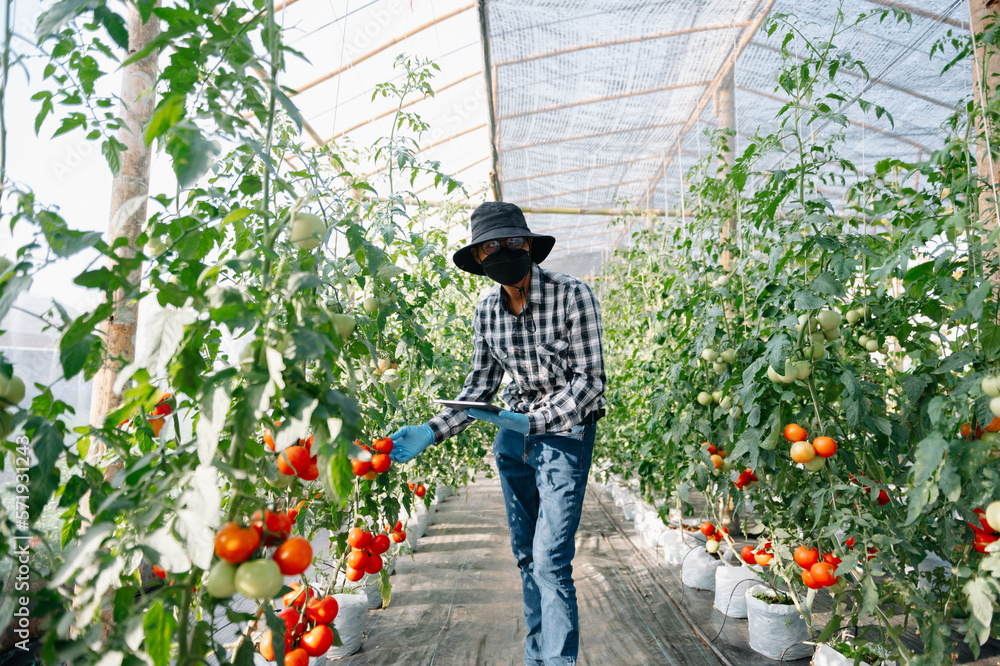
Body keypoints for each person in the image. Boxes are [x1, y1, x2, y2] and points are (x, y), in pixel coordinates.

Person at [387, 201, 606, 666]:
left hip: (565, 436)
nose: (504, 251)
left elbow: (590, 381)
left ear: (529, 245)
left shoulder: (573, 296)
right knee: (526, 556)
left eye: (512, 241)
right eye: (491, 247)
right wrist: (433, 429)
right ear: (479, 258)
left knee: (551, 561)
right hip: (511, 439)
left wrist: (537, 421)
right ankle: (536, 656)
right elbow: (481, 386)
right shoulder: (486, 311)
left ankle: (559, 661)